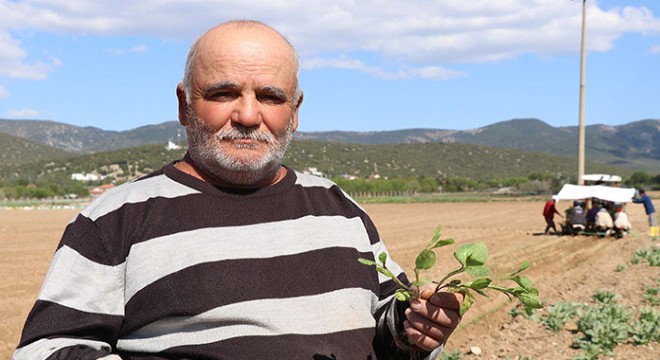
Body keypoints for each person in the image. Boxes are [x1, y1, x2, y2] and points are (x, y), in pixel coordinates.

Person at [13, 20, 462, 360]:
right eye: (224, 93)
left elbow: (392, 325)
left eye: (270, 96)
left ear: (296, 110)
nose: (248, 115)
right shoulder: (118, 217)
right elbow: (47, 348)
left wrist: (414, 329)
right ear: (185, 106)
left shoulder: (339, 209)